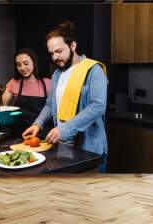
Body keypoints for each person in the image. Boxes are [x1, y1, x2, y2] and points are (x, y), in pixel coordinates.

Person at [22, 21, 108, 172]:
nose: (55, 57)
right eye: (51, 53)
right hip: (63, 147)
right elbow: (50, 104)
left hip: (89, 149)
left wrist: (64, 129)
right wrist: (38, 124)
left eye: (59, 51)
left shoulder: (94, 70)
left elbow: (97, 107)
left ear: (73, 46)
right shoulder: (57, 74)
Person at [0, 48, 51, 136]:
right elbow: (2, 108)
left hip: (42, 133)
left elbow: (52, 109)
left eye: (26, 63)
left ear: (34, 62)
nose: (22, 68)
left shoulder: (48, 83)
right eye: (18, 65)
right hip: (18, 133)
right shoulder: (14, 82)